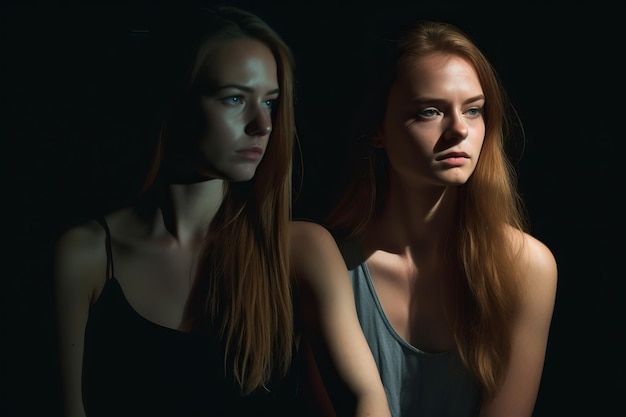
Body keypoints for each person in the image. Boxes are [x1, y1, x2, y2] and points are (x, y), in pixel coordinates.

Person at [53, 5, 390, 417]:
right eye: (234, 98)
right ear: (175, 100)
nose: (262, 124)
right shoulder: (85, 256)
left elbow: (367, 398)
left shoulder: (299, 249)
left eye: (270, 102)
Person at [304, 19, 558, 417]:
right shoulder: (324, 265)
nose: (459, 130)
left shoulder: (526, 268)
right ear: (377, 129)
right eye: (429, 111)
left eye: (474, 110)